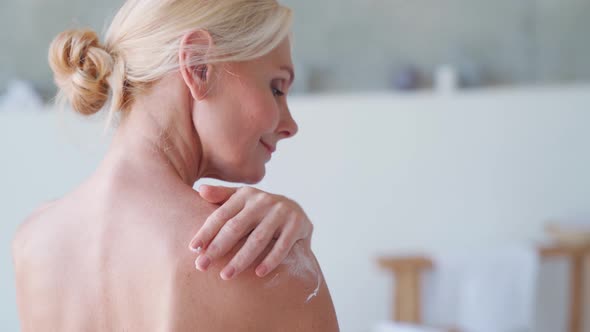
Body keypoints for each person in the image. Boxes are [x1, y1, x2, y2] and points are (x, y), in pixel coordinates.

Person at [11, 0, 339, 330]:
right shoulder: (267, 266)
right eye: (276, 88)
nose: (290, 125)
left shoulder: (32, 241)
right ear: (198, 65)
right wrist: (297, 258)